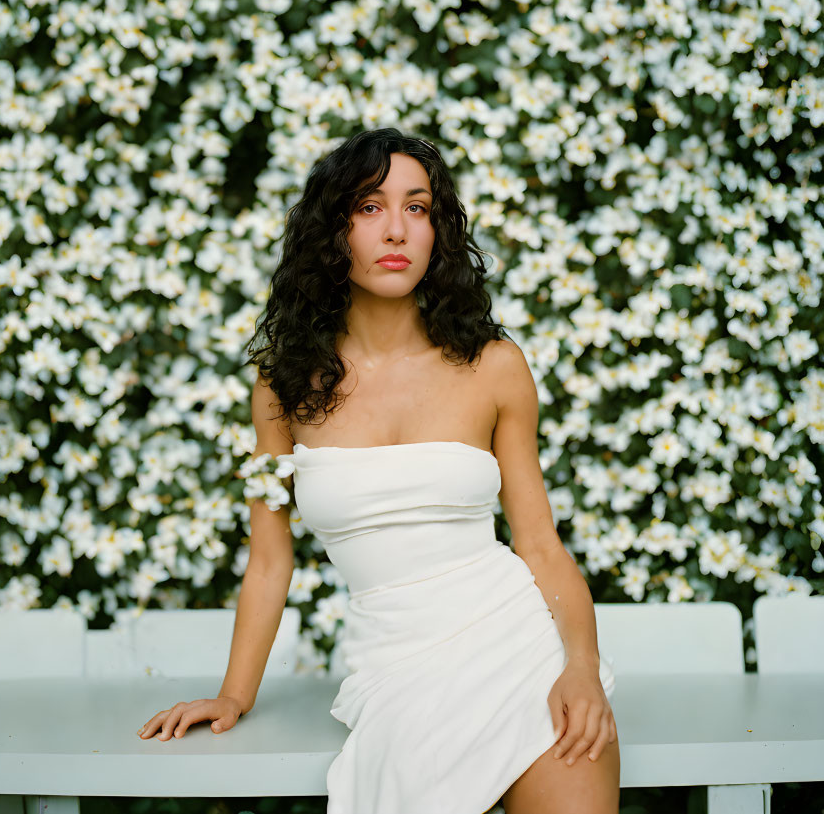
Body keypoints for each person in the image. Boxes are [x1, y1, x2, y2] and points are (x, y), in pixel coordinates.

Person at [138, 127, 619, 814]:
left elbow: (539, 544)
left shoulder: (495, 367)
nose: (395, 229)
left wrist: (579, 668)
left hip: (524, 651)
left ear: (438, 231)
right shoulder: (281, 389)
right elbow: (271, 561)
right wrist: (234, 693)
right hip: (395, 671)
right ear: (331, 231)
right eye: (369, 206)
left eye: (416, 207)